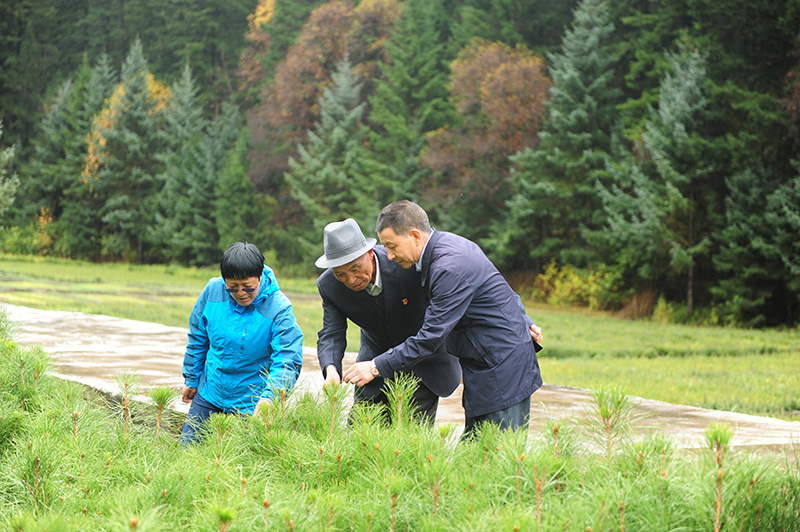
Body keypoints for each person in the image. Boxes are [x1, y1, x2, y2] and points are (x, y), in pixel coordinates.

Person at [343, 201, 543, 439]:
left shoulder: (448, 266)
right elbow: (499, 289)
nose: (390, 255)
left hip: (502, 367)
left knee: (495, 455)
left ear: (415, 236)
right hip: (484, 363)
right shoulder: (449, 246)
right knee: (477, 454)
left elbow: (430, 337)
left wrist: (375, 367)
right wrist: (523, 319)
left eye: (391, 246)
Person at [315, 218, 461, 425]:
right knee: (359, 437)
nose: (351, 280)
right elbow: (331, 332)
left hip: (421, 362)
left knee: (410, 443)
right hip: (372, 364)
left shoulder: (405, 263)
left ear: (369, 253)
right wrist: (331, 369)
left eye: (355, 269)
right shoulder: (329, 285)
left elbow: (464, 284)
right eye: (341, 274)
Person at [180, 241, 304, 444]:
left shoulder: (279, 309)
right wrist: (192, 378)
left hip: (251, 402)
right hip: (210, 391)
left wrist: (269, 398)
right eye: (232, 288)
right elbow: (198, 336)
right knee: (188, 454)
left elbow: (287, 360)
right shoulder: (213, 290)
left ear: (260, 276)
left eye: (248, 287)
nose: (240, 294)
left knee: (242, 468)